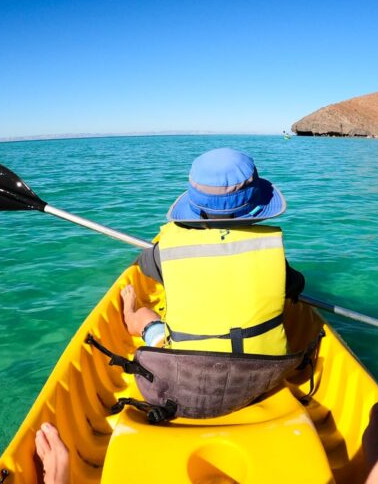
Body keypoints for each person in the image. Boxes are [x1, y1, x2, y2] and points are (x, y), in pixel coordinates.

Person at [34, 405, 378, 484]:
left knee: (148, 326)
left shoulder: (165, 251)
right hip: (260, 376)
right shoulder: (270, 247)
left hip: (176, 382)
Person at [121, 147, 305, 354]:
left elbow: (144, 263)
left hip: (188, 371)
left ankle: (129, 313)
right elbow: (297, 284)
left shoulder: (162, 253)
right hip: (266, 371)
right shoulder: (270, 250)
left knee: (146, 316)